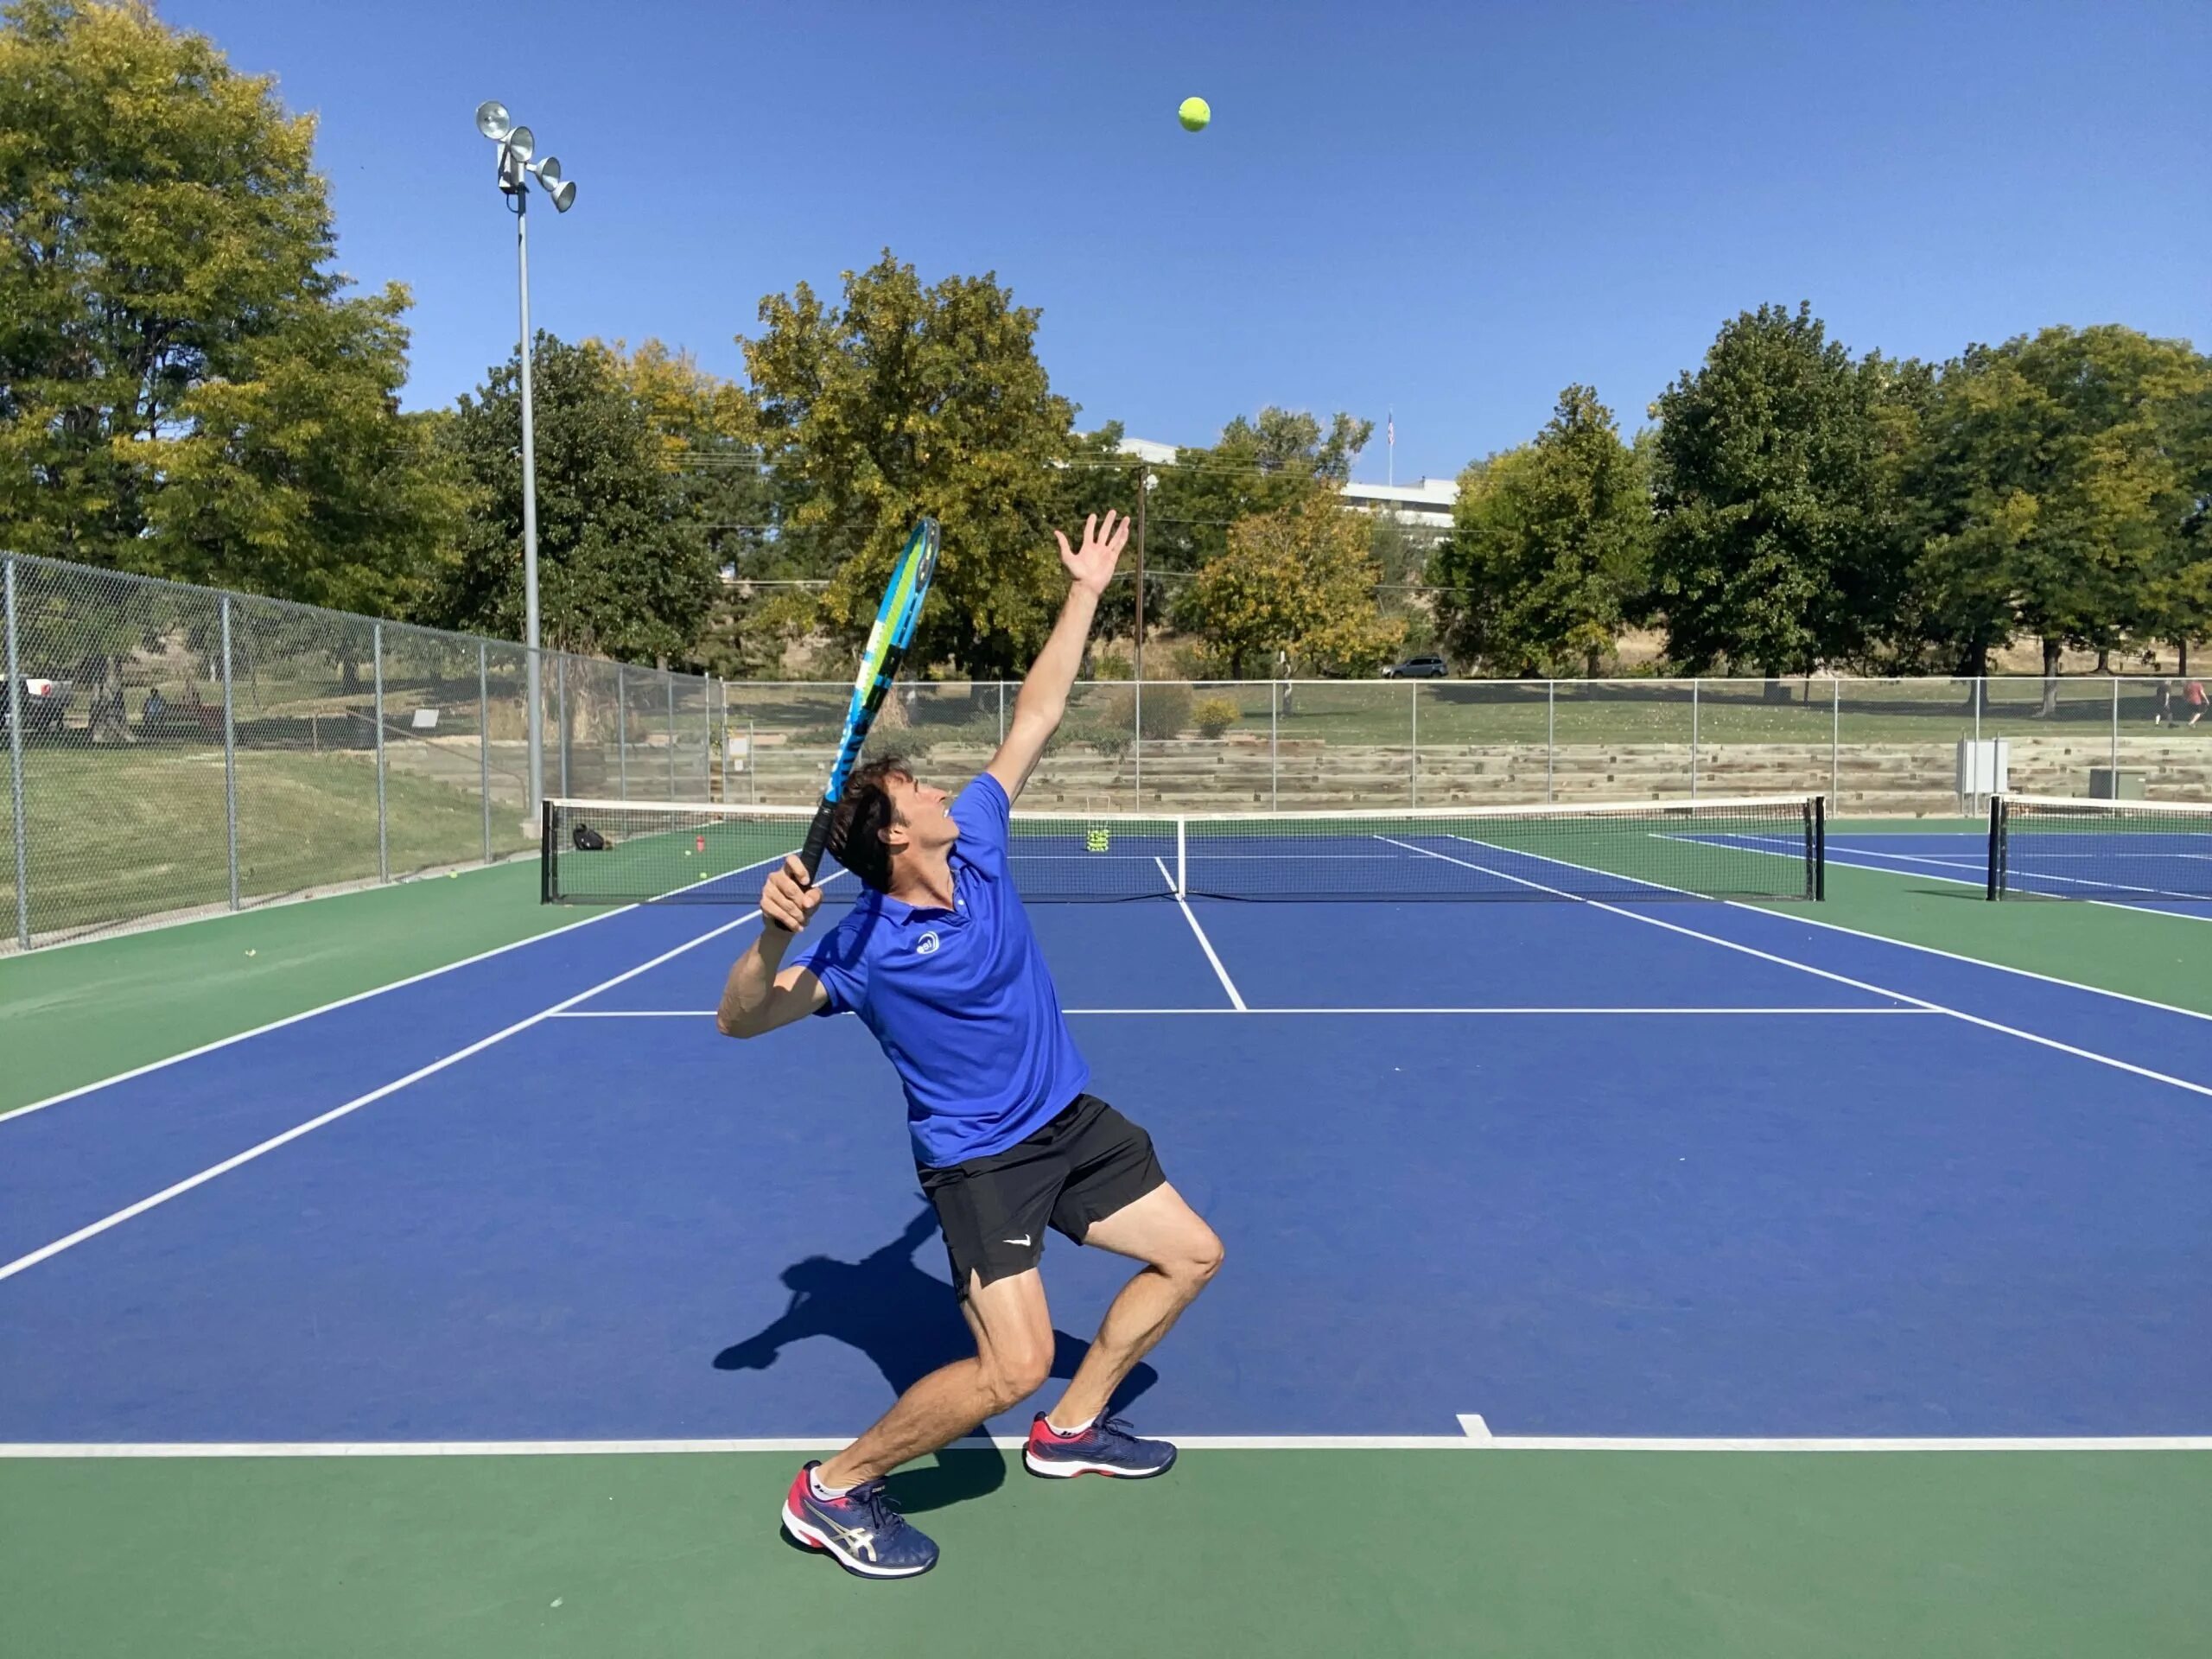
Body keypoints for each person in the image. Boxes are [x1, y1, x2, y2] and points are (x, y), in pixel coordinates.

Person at [716, 511, 1224, 1581]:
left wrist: (1084, 592)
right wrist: (769, 937)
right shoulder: (862, 944)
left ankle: (1073, 1432)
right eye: (917, 790)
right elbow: (742, 1018)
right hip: (981, 1161)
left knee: (1190, 1255)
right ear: (897, 837)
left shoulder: (981, 840)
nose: (942, 788)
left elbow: (1037, 713)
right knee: (1012, 1366)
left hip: (1070, 1120)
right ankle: (834, 1488)